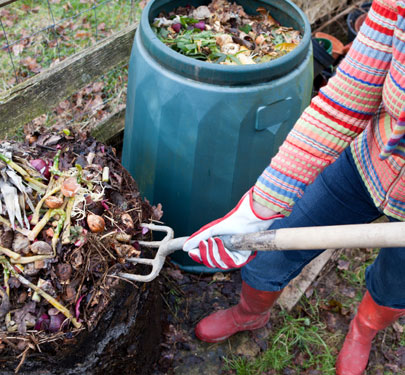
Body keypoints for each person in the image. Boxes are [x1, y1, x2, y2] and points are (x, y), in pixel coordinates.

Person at [182, 0, 405, 374]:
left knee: (396, 284)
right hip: (370, 162)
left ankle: (363, 330)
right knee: (274, 247)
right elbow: (345, 100)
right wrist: (258, 208)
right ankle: (249, 314)